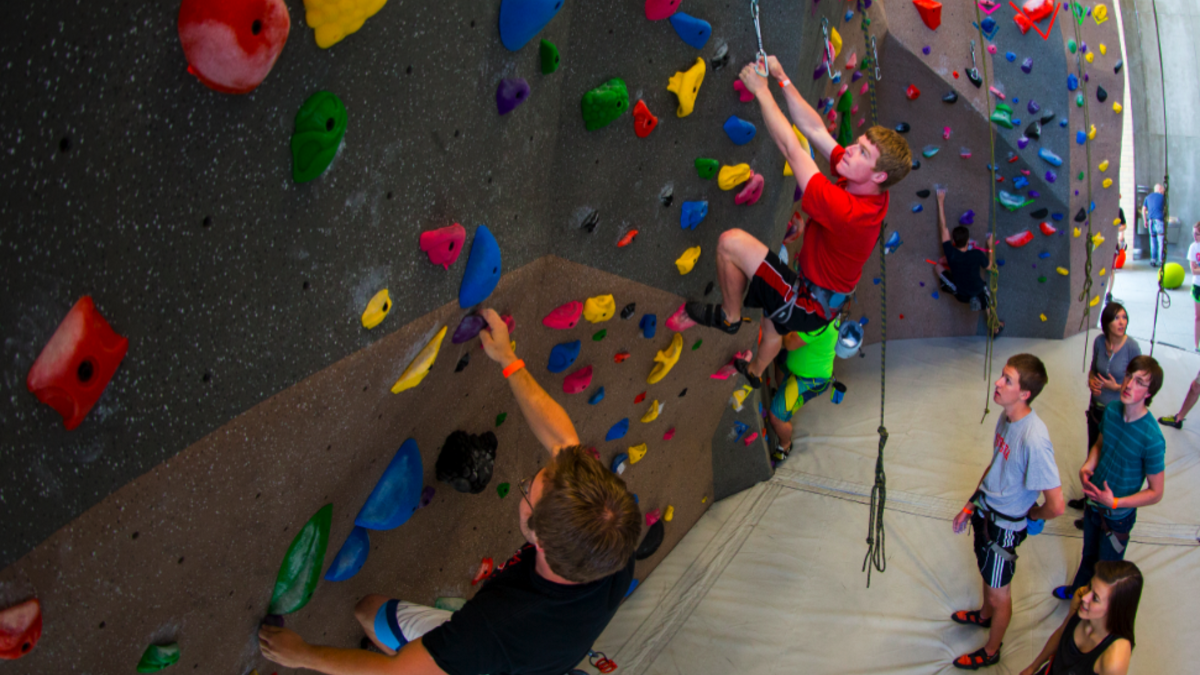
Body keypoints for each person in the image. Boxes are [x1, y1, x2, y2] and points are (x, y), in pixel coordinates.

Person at [259, 308, 642, 675]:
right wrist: (508, 359)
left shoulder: (492, 627)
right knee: (380, 617)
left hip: (493, 660)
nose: (524, 485)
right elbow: (563, 441)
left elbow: (400, 673)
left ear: (540, 540)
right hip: (536, 650)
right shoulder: (613, 540)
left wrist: (304, 655)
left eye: (527, 492)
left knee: (368, 613)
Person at [684, 56, 911, 389]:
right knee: (773, 322)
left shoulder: (849, 212)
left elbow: (792, 149)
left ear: (878, 174)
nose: (849, 150)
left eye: (862, 152)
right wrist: (782, 77)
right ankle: (756, 373)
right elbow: (816, 129)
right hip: (820, 300)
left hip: (806, 299)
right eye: (858, 143)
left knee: (730, 243)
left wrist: (762, 91)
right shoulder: (869, 188)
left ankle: (730, 318)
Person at [950, 354, 1065, 670]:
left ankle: (991, 651)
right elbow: (995, 465)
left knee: (1000, 595)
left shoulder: (1034, 440)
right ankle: (985, 616)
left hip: (1004, 528)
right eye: (1001, 376)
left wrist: (1031, 518)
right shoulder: (1007, 416)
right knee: (987, 574)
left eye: (1008, 380)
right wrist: (970, 503)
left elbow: (1056, 504)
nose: (998, 384)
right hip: (986, 513)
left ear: (1025, 393)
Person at [1053, 356, 1165, 601]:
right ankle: (1077, 593)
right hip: (1094, 505)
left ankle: (1092, 608)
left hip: (1117, 519)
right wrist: (1088, 466)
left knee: (1107, 571)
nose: (1128, 385)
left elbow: (1156, 492)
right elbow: (1101, 444)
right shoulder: (1112, 410)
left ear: (1149, 392)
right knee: (1088, 555)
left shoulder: (1152, 438)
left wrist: (1115, 502)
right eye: (1128, 376)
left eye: (1139, 382)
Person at [1067, 303, 1140, 514]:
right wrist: (1091, 381)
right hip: (1096, 409)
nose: (1122, 322)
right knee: (1092, 453)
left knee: (1106, 458)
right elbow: (1093, 369)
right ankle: (1089, 496)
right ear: (1106, 323)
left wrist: (1115, 387)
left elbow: (1138, 382)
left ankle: (1097, 505)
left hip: (1116, 414)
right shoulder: (1100, 342)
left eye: (1124, 318)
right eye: (1117, 318)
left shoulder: (1132, 347)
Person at [1020, 561, 1141, 675]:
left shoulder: (1114, 658)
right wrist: (1033, 667)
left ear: (1115, 609)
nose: (1085, 597)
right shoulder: (1082, 601)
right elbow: (1062, 632)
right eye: (1090, 586)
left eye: (1095, 598)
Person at [765, 319, 841, 465]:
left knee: (776, 417)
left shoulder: (819, 324)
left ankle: (785, 445)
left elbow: (789, 342)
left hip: (807, 380)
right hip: (799, 363)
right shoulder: (829, 312)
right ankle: (783, 392)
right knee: (781, 360)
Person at [934, 186, 1003, 336]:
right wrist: (990, 247)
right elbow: (990, 267)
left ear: (953, 241)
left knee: (938, 267)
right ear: (968, 242)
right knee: (988, 303)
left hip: (961, 293)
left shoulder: (950, 251)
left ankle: (949, 285)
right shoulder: (976, 254)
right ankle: (995, 327)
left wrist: (940, 201)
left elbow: (943, 227)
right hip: (977, 290)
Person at [1140, 184, 1165, 267]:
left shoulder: (1148, 197)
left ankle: (1153, 260)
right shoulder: (1162, 197)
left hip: (1150, 221)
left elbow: (1143, 210)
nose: (1163, 192)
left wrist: (1145, 221)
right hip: (1159, 220)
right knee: (1161, 241)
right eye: (1163, 190)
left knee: (1153, 241)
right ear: (1160, 189)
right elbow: (1165, 210)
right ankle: (1161, 260)